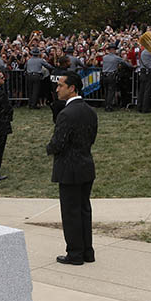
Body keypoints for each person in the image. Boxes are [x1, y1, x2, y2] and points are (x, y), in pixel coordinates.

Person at [47, 71, 98, 265]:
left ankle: (75, 253)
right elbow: (91, 138)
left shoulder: (66, 114)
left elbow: (58, 143)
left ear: (72, 88)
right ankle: (87, 251)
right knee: (84, 210)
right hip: (85, 165)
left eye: (61, 85)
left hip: (69, 168)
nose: (57, 88)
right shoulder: (89, 110)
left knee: (70, 212)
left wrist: (48, 149)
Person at [100, 43, 130, 111]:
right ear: (113, 50)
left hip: (104, 75)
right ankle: (109, 106)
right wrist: (131, 66)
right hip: (111, 75)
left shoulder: (104, 57)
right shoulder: (116, 58)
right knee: (111, 91)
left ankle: (106, 105)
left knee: (106, 91)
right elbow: (125, 64)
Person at [136, 41, 151, 113]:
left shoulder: (143, 52)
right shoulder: (149, 52)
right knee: (147, 90)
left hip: (143, 72)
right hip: (149, 72)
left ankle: (140, 106)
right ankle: (145, 108)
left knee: (142, 90)